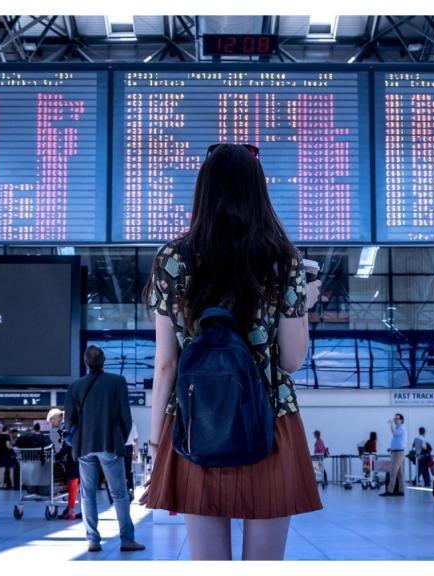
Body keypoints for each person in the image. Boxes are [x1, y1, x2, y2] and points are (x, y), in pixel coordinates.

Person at [141, 143, 323, 561]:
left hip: (194, 422)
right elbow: (292, 361)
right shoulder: (283, 259)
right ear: (258, 191)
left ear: (203, 190)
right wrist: (301, 307)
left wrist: (156, 443)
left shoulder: (173, 258)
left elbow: (166, 363)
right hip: (270, 422)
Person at [65, 345, 145, 553]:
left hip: (84, 447)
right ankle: (127, 539)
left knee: (88, 494)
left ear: (85, 363)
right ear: (104, 362)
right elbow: (126, 418)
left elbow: (68, 422)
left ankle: (93, 540)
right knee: (119, 494)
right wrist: (119, 437)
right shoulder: (117, 382)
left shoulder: (75, 386)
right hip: (110, 444)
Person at [47, 408, 80, 520]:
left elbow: (68, 444)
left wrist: (57, 457)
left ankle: (71, 511)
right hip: (78, 455)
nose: (52, 424)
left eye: (52, 420)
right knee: (74, 482)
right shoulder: (68, 423)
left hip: (74, 457)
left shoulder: (65, 424)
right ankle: (70, 509)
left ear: (56, 417)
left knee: (72, 482)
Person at [380, 413, 406, 496]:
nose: (395, 420)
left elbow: (394, 434)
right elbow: (398, 441)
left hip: (399, 453)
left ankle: (390, 491)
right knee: (399, 473)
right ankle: (401, 491)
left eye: (397, 418)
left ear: (401, 420)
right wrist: (392, 448)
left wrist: (390, 424)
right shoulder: (398, 428)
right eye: (394, 419)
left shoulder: (402, 428)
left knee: (393, 472)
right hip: (395, 451)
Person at [0, 425, 14, 489]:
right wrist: (11, 447)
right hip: (7, 455)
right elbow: (7, 446)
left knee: (1, 469)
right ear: (7, 430)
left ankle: (1, 484)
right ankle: (12, 485)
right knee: (10, 469)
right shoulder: (7, 436)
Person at [124, 422, 139, 501]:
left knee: (120, 472)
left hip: (118, 448)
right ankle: (131, 492)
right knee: (129, 472)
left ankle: (122, 494)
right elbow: (135, 439)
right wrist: (135, 453)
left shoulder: (115, 420)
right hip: (128, 448)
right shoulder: (132, 423)